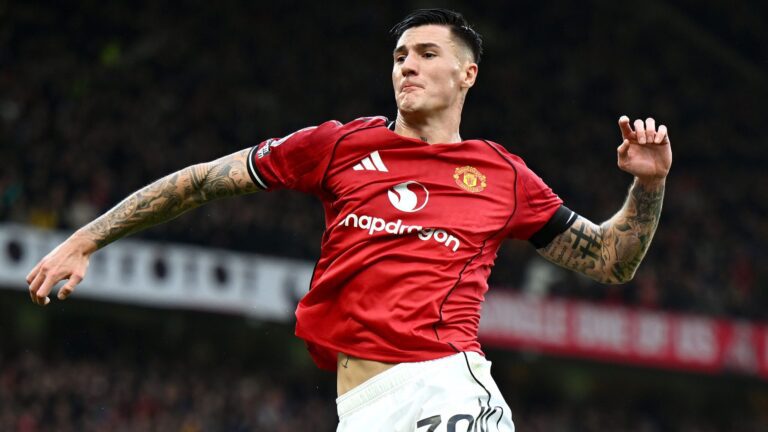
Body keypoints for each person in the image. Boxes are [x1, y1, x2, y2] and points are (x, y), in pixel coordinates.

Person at [26, 8, 671, 432]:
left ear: (467, 74)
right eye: (399, 56)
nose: (407, 66)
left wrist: (648, 185)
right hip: (361, 409)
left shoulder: (501, 174)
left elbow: (611, 260)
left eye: (426, 53)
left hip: (443, 388)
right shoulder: (338, 146)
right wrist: (87, 238)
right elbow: (202, 181)